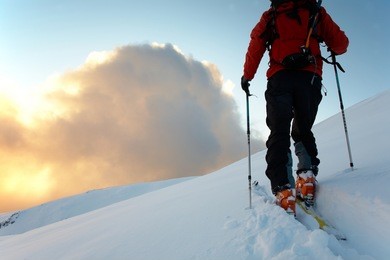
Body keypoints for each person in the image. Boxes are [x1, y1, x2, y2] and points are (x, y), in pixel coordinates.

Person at [241, 0, 348, 215]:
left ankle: (283, 189)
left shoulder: (271, 15)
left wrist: (247, 76)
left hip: (280, 78)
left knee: (279, 131)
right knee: (302, 128)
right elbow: (341, 44)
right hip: (310, 78)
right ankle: (306, 178)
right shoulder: (315, 10)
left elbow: (256, 45)